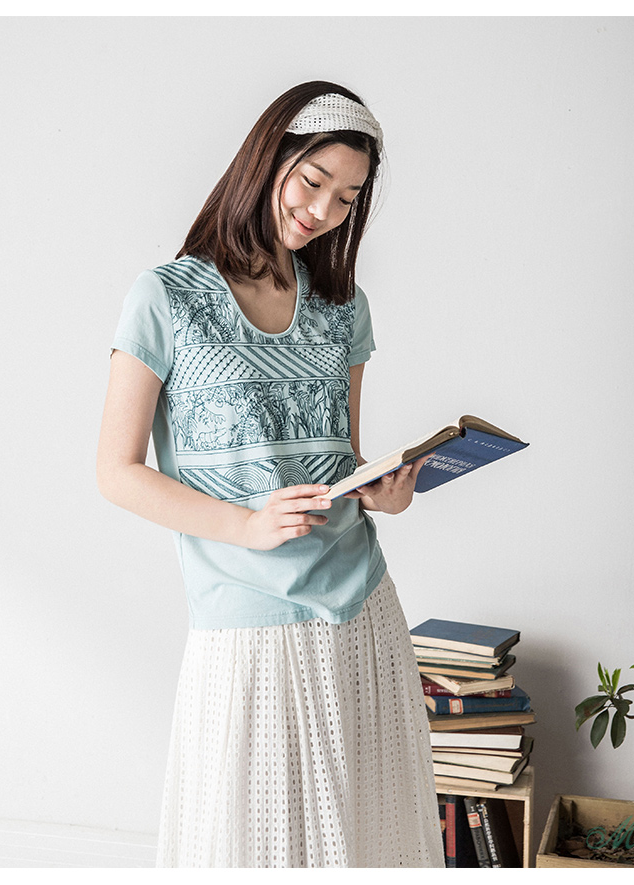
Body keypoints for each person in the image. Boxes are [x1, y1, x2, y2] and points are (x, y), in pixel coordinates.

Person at [96, 80, 445, 869]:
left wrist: (383, 491)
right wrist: (245, 525)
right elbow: (116, 471)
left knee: (369, 843)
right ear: (268, 158)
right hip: (247, 623)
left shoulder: (342, 304)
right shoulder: (166, 297)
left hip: (362, 608)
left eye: (347, 198)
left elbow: (340, 453)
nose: (322, 210)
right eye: (313, 180)